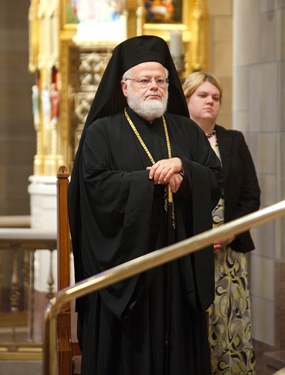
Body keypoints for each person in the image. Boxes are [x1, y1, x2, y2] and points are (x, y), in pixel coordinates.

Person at [68, 35, 223, 375]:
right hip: (126, 268)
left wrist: (184, 172)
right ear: (124, 87)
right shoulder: (100, 133)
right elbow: (94, 188)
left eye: (160, 80)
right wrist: (151, 181)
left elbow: (214, 178)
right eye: (144, 80)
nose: (153, 86)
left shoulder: (186, 130)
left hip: (178, 266)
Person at [183, 71, 261, 374]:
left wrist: (230, 233)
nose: (210, 102)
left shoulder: (233, 140)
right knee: (195, 323)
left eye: (216, 98)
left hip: (229, 250)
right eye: (203, 96)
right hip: (187, 248)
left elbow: (250, 196)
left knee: (231, 321)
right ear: (187, 99)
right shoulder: (174, 140)